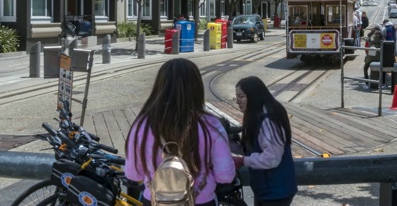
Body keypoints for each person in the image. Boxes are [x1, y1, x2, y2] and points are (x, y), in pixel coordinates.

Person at [124, 58, 236, 206]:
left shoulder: (142, 125)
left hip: (154, 200)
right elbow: (225, 176)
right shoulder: (210, 124)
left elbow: (133, 174)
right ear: (196, 87)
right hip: (201, 201)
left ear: (160, 86)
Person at [233, 76, 297, 206]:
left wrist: (243, 160)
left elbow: (272, 158)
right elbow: (255, 147)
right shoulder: (257, 114)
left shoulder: (268, 119)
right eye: (236, 97)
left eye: (241, 96)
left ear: (253, 95)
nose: (238, 101)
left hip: (276, 191)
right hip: (266, 189)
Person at [363, 25, 383, 89]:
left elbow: (366, 43)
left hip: (370, 56)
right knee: (381, 70)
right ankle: (381, 83)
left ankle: (366, 83)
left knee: (365, 68)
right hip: (378, 57)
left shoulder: (370, 37)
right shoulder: (381, 38)